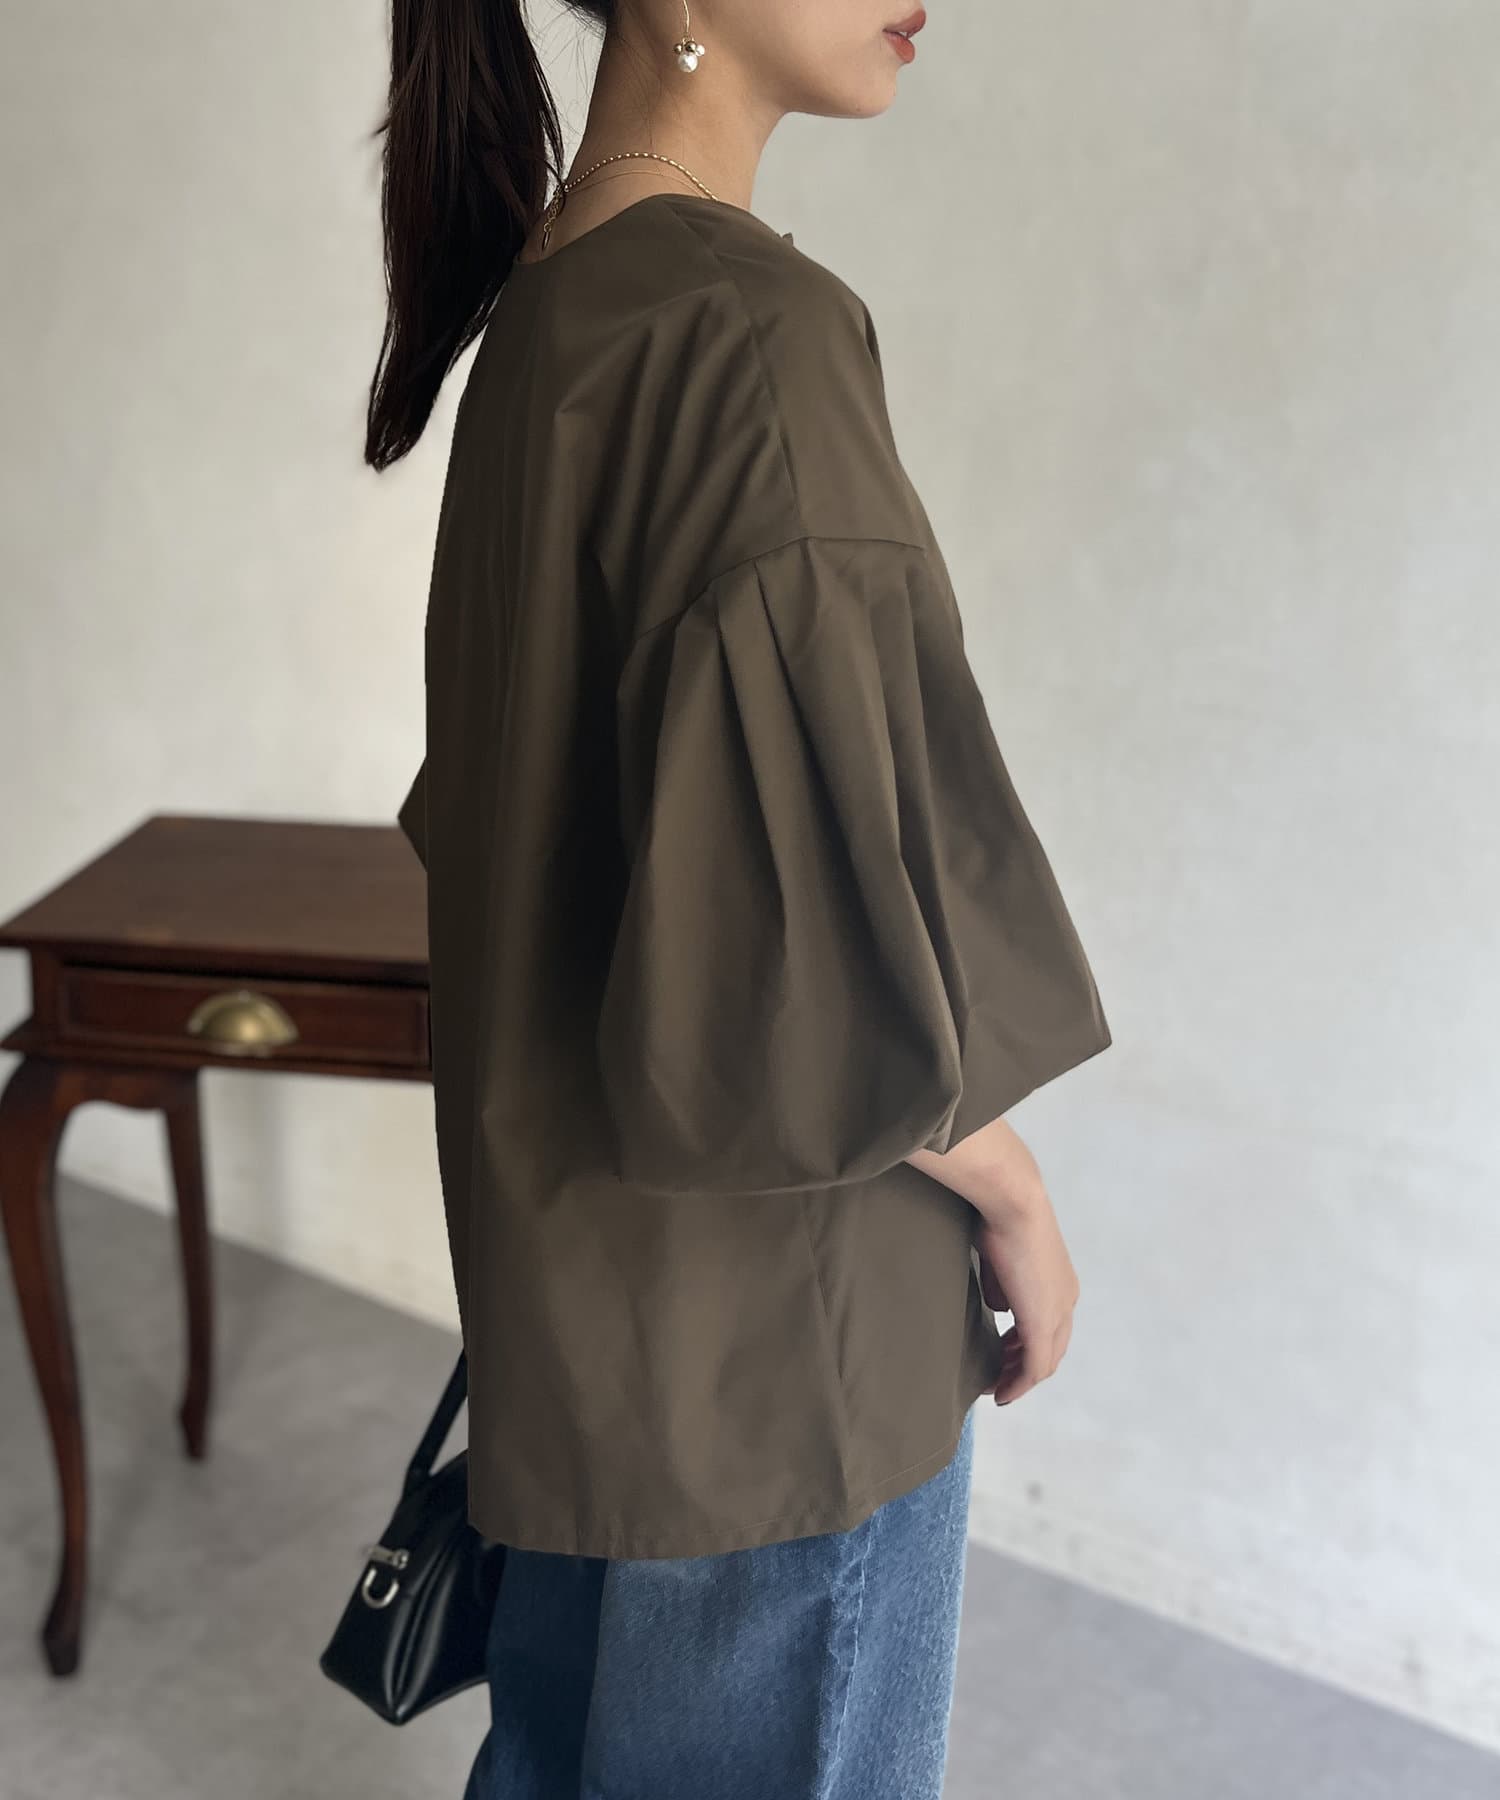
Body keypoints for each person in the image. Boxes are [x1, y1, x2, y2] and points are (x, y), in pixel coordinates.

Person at [367, 0, 1113, 1794]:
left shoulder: (550, 309)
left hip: (589, 1301)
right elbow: (817, 929)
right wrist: (1016, 1193)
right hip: (787, 1336)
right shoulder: (744, 328)